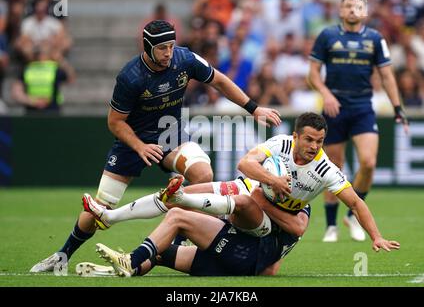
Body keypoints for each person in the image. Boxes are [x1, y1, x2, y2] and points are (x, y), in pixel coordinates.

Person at [29, 19, 281, 273]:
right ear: (148, 47)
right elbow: (115, 122)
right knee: (100, 208)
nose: (168, 53)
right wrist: (139, 147)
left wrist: (254, 108)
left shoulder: (184, 60)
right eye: (162, 48)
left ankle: (179, 238)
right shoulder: (131, 77)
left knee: (203, 173)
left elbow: (220, 81)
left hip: (170, 136)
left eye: (171, 46)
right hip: (131, 143)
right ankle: (62, 254)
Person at [80, 112, 400, 277]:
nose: (315, 147)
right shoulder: (279, 145)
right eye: (309, 140)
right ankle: (125, 260)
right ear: (295, 136)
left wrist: (376, 236)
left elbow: (353, 203)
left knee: (202, 208)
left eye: (319, 141)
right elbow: (246, 163)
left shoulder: (325, 171)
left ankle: (172, 207)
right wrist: (271, 180)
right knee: (163, 247)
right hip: (240, 241)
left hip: (260, 240)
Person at [308, 0, 409, 243]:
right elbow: (312, 73)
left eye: (358, 7)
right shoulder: (327, 36)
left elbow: (386, 76)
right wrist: (325, 94)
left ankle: (353, 213)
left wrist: (398, 108)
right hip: (334, 106)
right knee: (334, 166)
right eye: (348, 6)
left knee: (369, 162)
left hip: (363, 104)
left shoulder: (374, 38)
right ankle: (331, 225)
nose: (353, 10)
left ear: (364, 12)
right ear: (340, 11)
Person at [12, 45, 75, 115]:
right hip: (41, 111)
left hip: (46, 111)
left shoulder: (28, 69)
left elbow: (17, 93)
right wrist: (60, 59)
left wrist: (32, 101)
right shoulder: (53, 68)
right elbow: (71, 77)